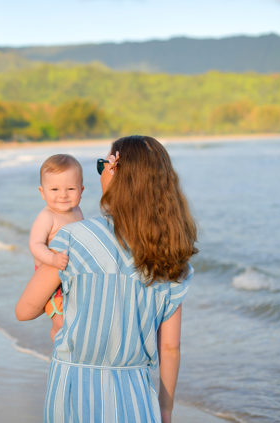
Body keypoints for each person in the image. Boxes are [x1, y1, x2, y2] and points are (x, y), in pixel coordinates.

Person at [16, 135, 198, 423]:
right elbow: (170, 347)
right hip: (137, 392)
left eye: (105, 165)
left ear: (114, 175)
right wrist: (165, 409)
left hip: (74, 388)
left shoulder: (75, 237)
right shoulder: (172, 255)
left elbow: (24, 310)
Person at [29, 154, 84, 342]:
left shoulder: (77, 211)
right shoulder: (47, 216)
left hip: (72, 275)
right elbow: (35, 245)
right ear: (42, 192)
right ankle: (58, 348)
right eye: (54, 189)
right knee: (60, 321)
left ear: (81, 190)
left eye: (70, 188)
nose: (63, 195)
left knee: (76, 316)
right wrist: (52, 259)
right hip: (51, 279)